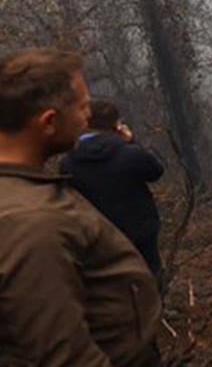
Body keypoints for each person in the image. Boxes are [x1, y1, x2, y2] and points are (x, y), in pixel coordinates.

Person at [0, 48, 171, 367]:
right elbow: (63, 362)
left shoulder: (27, 190)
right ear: (47, 122)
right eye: (81, 106)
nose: (88, 115)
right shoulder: (30, 221)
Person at [61, 100, 166, 278]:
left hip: (95, 238)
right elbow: (156, 171)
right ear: (116, 125)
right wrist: (131, 141)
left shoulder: (69, 162)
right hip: (139, 234)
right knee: (149, 281)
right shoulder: (130, 154)